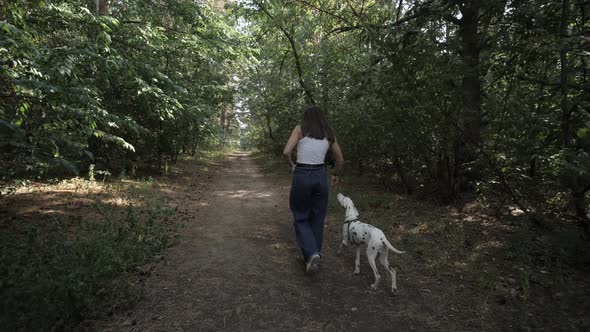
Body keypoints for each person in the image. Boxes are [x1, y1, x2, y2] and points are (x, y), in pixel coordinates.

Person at [282, 105, 344, 274]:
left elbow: (286, 152)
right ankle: (314, 254)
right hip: (320, 175)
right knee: (317, 217)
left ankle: (311, 253)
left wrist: (292, 166)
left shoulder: (300, 129)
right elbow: (340, 159)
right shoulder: (328, 133)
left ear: (305, 118)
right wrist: (335, 174)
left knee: (301, 216)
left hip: (302, 174)